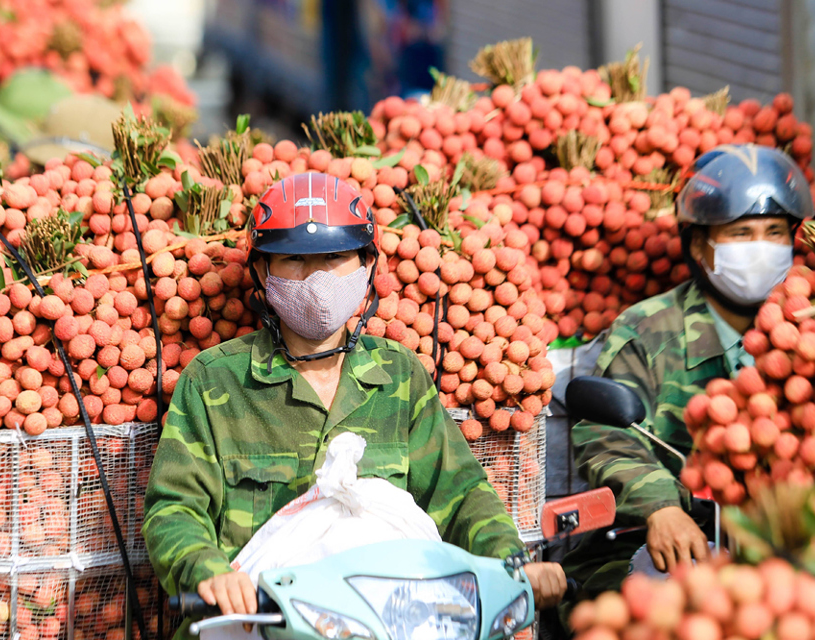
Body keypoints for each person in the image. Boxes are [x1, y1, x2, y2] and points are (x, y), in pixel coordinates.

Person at [143, 172, 567, 637]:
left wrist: (511, 563)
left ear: (367, 264)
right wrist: (209, 573)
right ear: (263, 271)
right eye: (295, 261)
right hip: (264, 625)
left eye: (335, 257)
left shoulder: (400, 375)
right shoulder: (213, 381)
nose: (318, 277)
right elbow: (175, 509)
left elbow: (461, 493)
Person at [560, 145, 814, 600]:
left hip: (794, 539)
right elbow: (607, 437)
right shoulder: (648, 329)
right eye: (741, 233)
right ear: (699, 243)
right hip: (659, 539)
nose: (761, 247)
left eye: (774, 232)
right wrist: (660, 506)